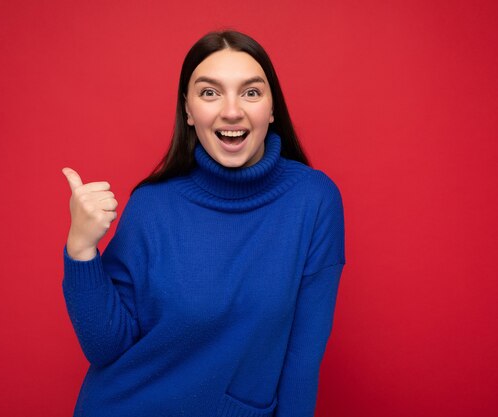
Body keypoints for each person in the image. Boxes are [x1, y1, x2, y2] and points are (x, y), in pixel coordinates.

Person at [61, 29, 346, 417]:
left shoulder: (312, 200)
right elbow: (106, 347)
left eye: (251, 92)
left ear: (272, 108)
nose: (231, 111)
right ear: (189, 111)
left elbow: (302, 357)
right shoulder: (152, 205)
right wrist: (81, 250)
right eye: (210, 93)